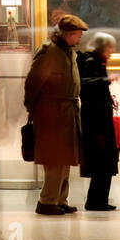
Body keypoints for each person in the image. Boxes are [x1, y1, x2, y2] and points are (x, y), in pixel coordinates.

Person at [23, 13, 87, 215]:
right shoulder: (49, 52)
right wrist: (31, 107)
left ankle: (60, 199)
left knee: (66, 158)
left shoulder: (68, 52)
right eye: (77, 34)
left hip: (67, 113)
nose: (80, 38)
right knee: (54, 160)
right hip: (52, 114)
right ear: (67, 34)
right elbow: (33, 82)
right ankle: (47, 201)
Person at [78, 31, 120, 212]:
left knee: (106, 160)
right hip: (96, 121)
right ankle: (95, 201)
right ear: (102, 47)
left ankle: (100, 199)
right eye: (110, 47)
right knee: (101, 160)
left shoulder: (97, 61)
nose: (112, 51)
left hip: (100, 118)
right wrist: (106, 80)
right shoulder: (90, 61)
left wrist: (110, 97)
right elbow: (85, 85)